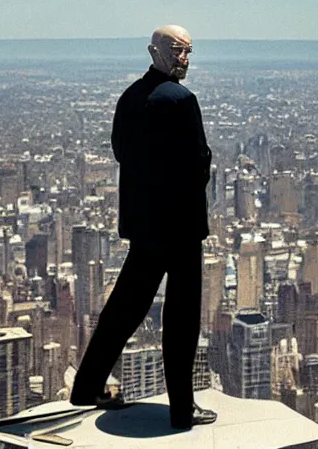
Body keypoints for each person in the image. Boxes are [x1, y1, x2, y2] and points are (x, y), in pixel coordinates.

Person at [70, 25, 217, 430]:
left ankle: (86, 387)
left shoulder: (129, 97)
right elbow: (198, 163)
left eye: (188, 52)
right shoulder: (183, 100)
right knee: (182, 317)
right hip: (182, 228)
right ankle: (182, 410)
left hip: (146, 225)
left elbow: (121, 152)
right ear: (154, 51)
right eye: (177, 51)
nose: (183, 59)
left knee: (125, 307)